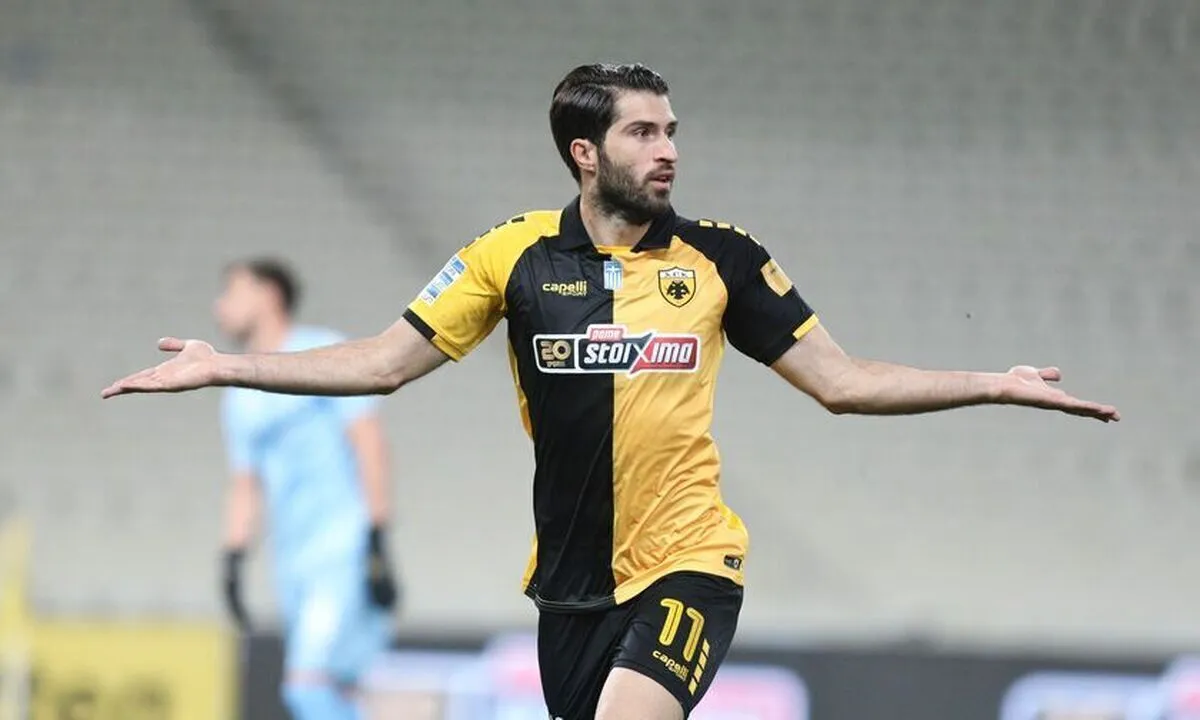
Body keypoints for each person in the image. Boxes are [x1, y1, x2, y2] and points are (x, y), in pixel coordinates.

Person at [102, 64, 1119, 720]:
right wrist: (224, 365)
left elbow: (843, 384)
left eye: (670, 130)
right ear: (584, 154)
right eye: (641, 133)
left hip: (689, 564)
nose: (667, 149)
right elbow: (379, 363)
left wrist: (994, 384)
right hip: (570, 587)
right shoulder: (511, 256)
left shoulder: (721, 258)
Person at [211, 259, 399, 720]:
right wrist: (233, 558)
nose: (220, 306)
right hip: (292, 560)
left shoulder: (322, 354)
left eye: (233, 291)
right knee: (335, 691)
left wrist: (377, 537)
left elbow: (368, 442)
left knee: (306, 688)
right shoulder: (237, 392)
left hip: (341, 548)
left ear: (269, 294)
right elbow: (245, 483)